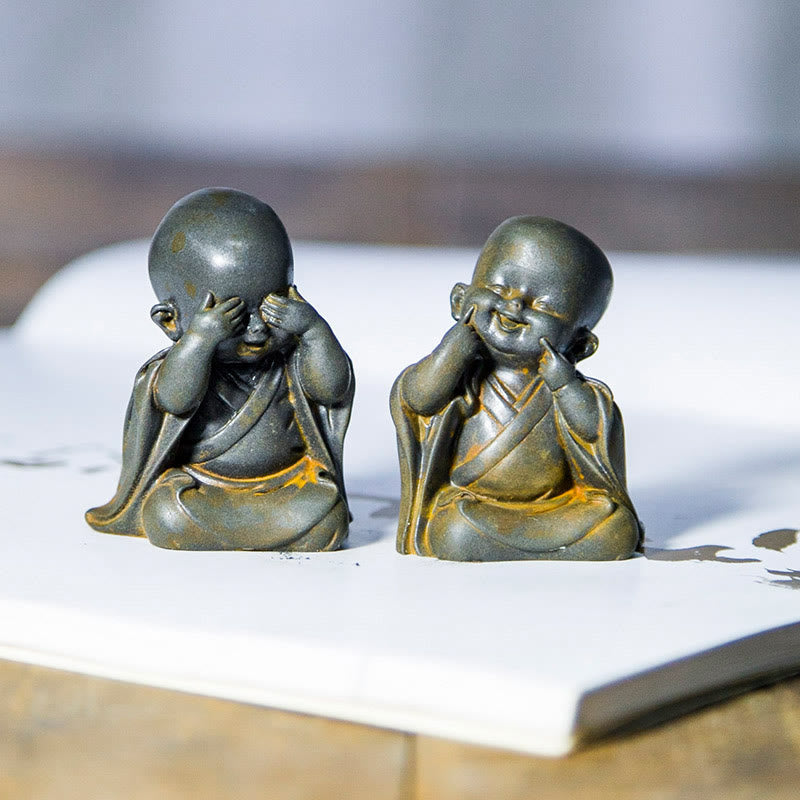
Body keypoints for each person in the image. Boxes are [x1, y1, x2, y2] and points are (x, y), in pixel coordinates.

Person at [86, 188, 353, 551]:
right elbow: (175, 401)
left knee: (329, 512)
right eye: (235, 317)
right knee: (164, 513)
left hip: (285, 487)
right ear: (170, 321)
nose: (258, 329)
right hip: (202, 488)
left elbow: (332, 390)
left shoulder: (290, 357)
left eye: (272, 306)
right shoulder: (185, 363)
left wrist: (314, 331)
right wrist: (199, 343)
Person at [391, 216, 642, 561]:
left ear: (580, 345)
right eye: (498, 289)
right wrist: (450, 356)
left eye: (544, 306)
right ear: (459, 300)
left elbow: (592, 430)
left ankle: (529, 545)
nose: (513, 307)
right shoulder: (464, 375)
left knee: (617, 528)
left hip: (556, 509)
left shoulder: (566, 387)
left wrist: (565, 384)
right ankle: (512, 544)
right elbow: (417, 401)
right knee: (451, 529)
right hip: (474, 506)